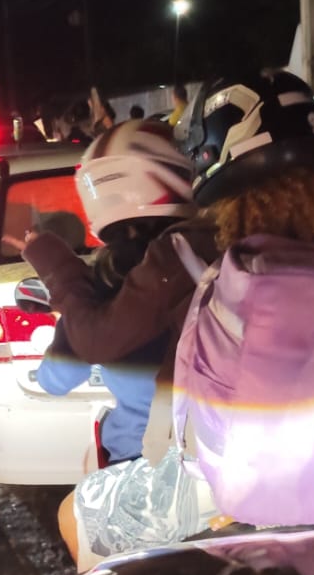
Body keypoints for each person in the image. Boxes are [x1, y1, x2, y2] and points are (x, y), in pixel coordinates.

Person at [60, 70, 314, 568]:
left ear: (211, 157)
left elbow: (100, 340)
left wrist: (56, 266)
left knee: (72, 514)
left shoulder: (182, 251)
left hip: (209, 487)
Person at [26, 121, 200, 482]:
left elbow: (55, 380)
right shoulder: (214, 250)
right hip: (228, 455)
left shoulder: (103, 287)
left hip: (140, 464)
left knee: (71, 524)